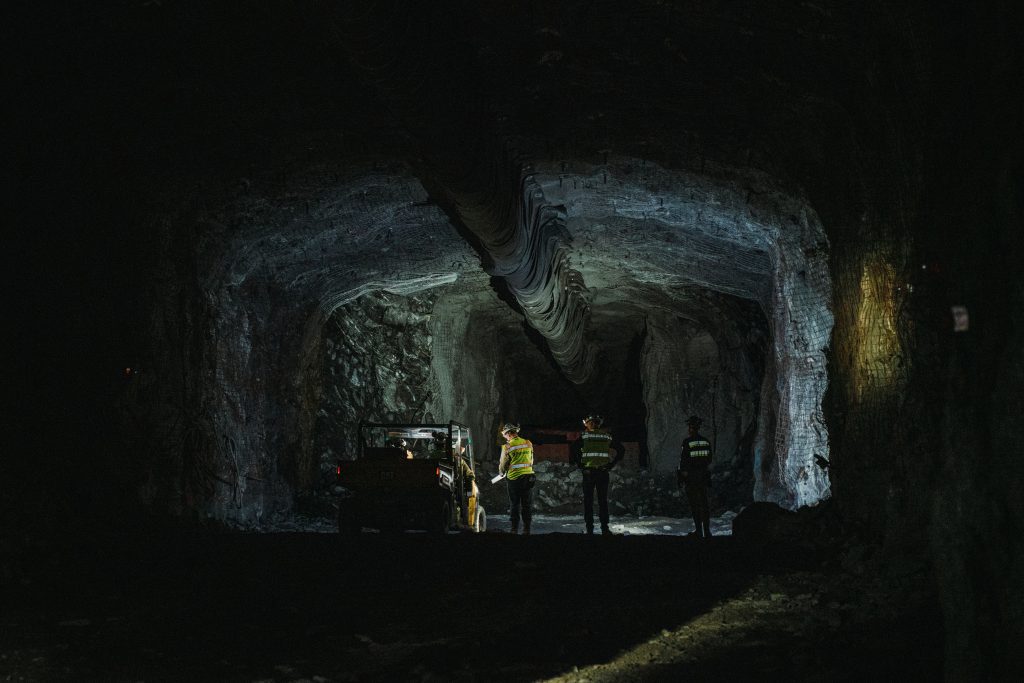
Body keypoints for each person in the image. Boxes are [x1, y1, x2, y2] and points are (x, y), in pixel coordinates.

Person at [571, 415, 624, 536]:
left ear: (588, 424)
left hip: (589, 473)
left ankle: (590, 529)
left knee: (588, 501)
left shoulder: (585, 436)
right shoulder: (606, 436)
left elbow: (573, 450)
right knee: (602, 501)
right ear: (598, 424)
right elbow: (621, 449)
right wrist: (611, 464)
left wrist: (581, 465)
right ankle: (605, 529)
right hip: (603, 472)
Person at [677, 415, 713, 539]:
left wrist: (681, 478)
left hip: (692, 478)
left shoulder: (687, 442)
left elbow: (683, 462)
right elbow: (709, 459)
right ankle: (707, 532)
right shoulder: (706, 442)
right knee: (704, 504)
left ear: (691, 428)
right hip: (703, 477)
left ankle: (699, 531)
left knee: (695, 505)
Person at [497, 423, 535, 535]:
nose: (505, 437)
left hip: (514, 479)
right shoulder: (528, 443)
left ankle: (514, 529)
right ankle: (527, 529)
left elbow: (503, 465)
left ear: (509, 433)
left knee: (515, 504)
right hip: (528, 477)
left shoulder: (507, 447)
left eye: (505, 435)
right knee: (527, 504)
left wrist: (502, 473)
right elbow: (531, 460)